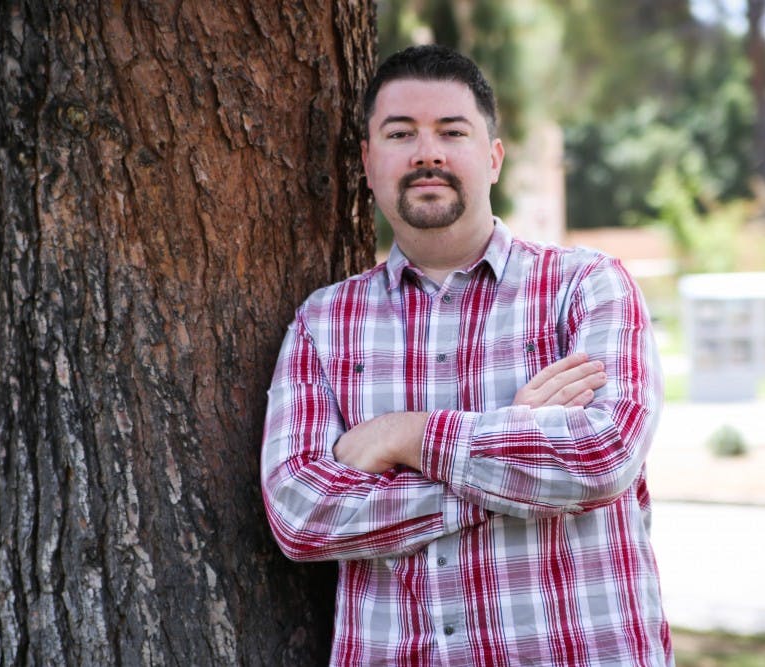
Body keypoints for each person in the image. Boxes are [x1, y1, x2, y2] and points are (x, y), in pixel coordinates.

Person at [260, 44, 672, 666]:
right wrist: (518, 453)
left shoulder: (588, 286)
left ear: (493, 157)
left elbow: (601, 456)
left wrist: (407, 438)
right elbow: (300, 515)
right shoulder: (323, 323)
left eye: (452, 131)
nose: (428, 152)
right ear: (369, 164)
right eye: (401, 134)